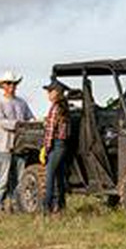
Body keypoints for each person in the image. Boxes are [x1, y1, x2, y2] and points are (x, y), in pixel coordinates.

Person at [0, 70, 34, 212]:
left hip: (21, 146)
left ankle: (16, 206)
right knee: (3, 178)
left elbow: (30, 118)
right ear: (3, 85)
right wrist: (17, 124)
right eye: (8, 83)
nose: (11, 86)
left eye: (14, 83)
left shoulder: (22, 102)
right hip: (5, 145)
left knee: (19, 178)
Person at [41, 80, 69, 213]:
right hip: (63, 145)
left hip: (56, 144)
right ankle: (61, 205)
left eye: (50, 91)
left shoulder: (55, 108)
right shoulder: (64, 107)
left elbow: (50, 131)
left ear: (56, 93)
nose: (48, 94)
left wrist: (46, 148)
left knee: (49, 175)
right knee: (59, 176)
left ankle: (47, 206)